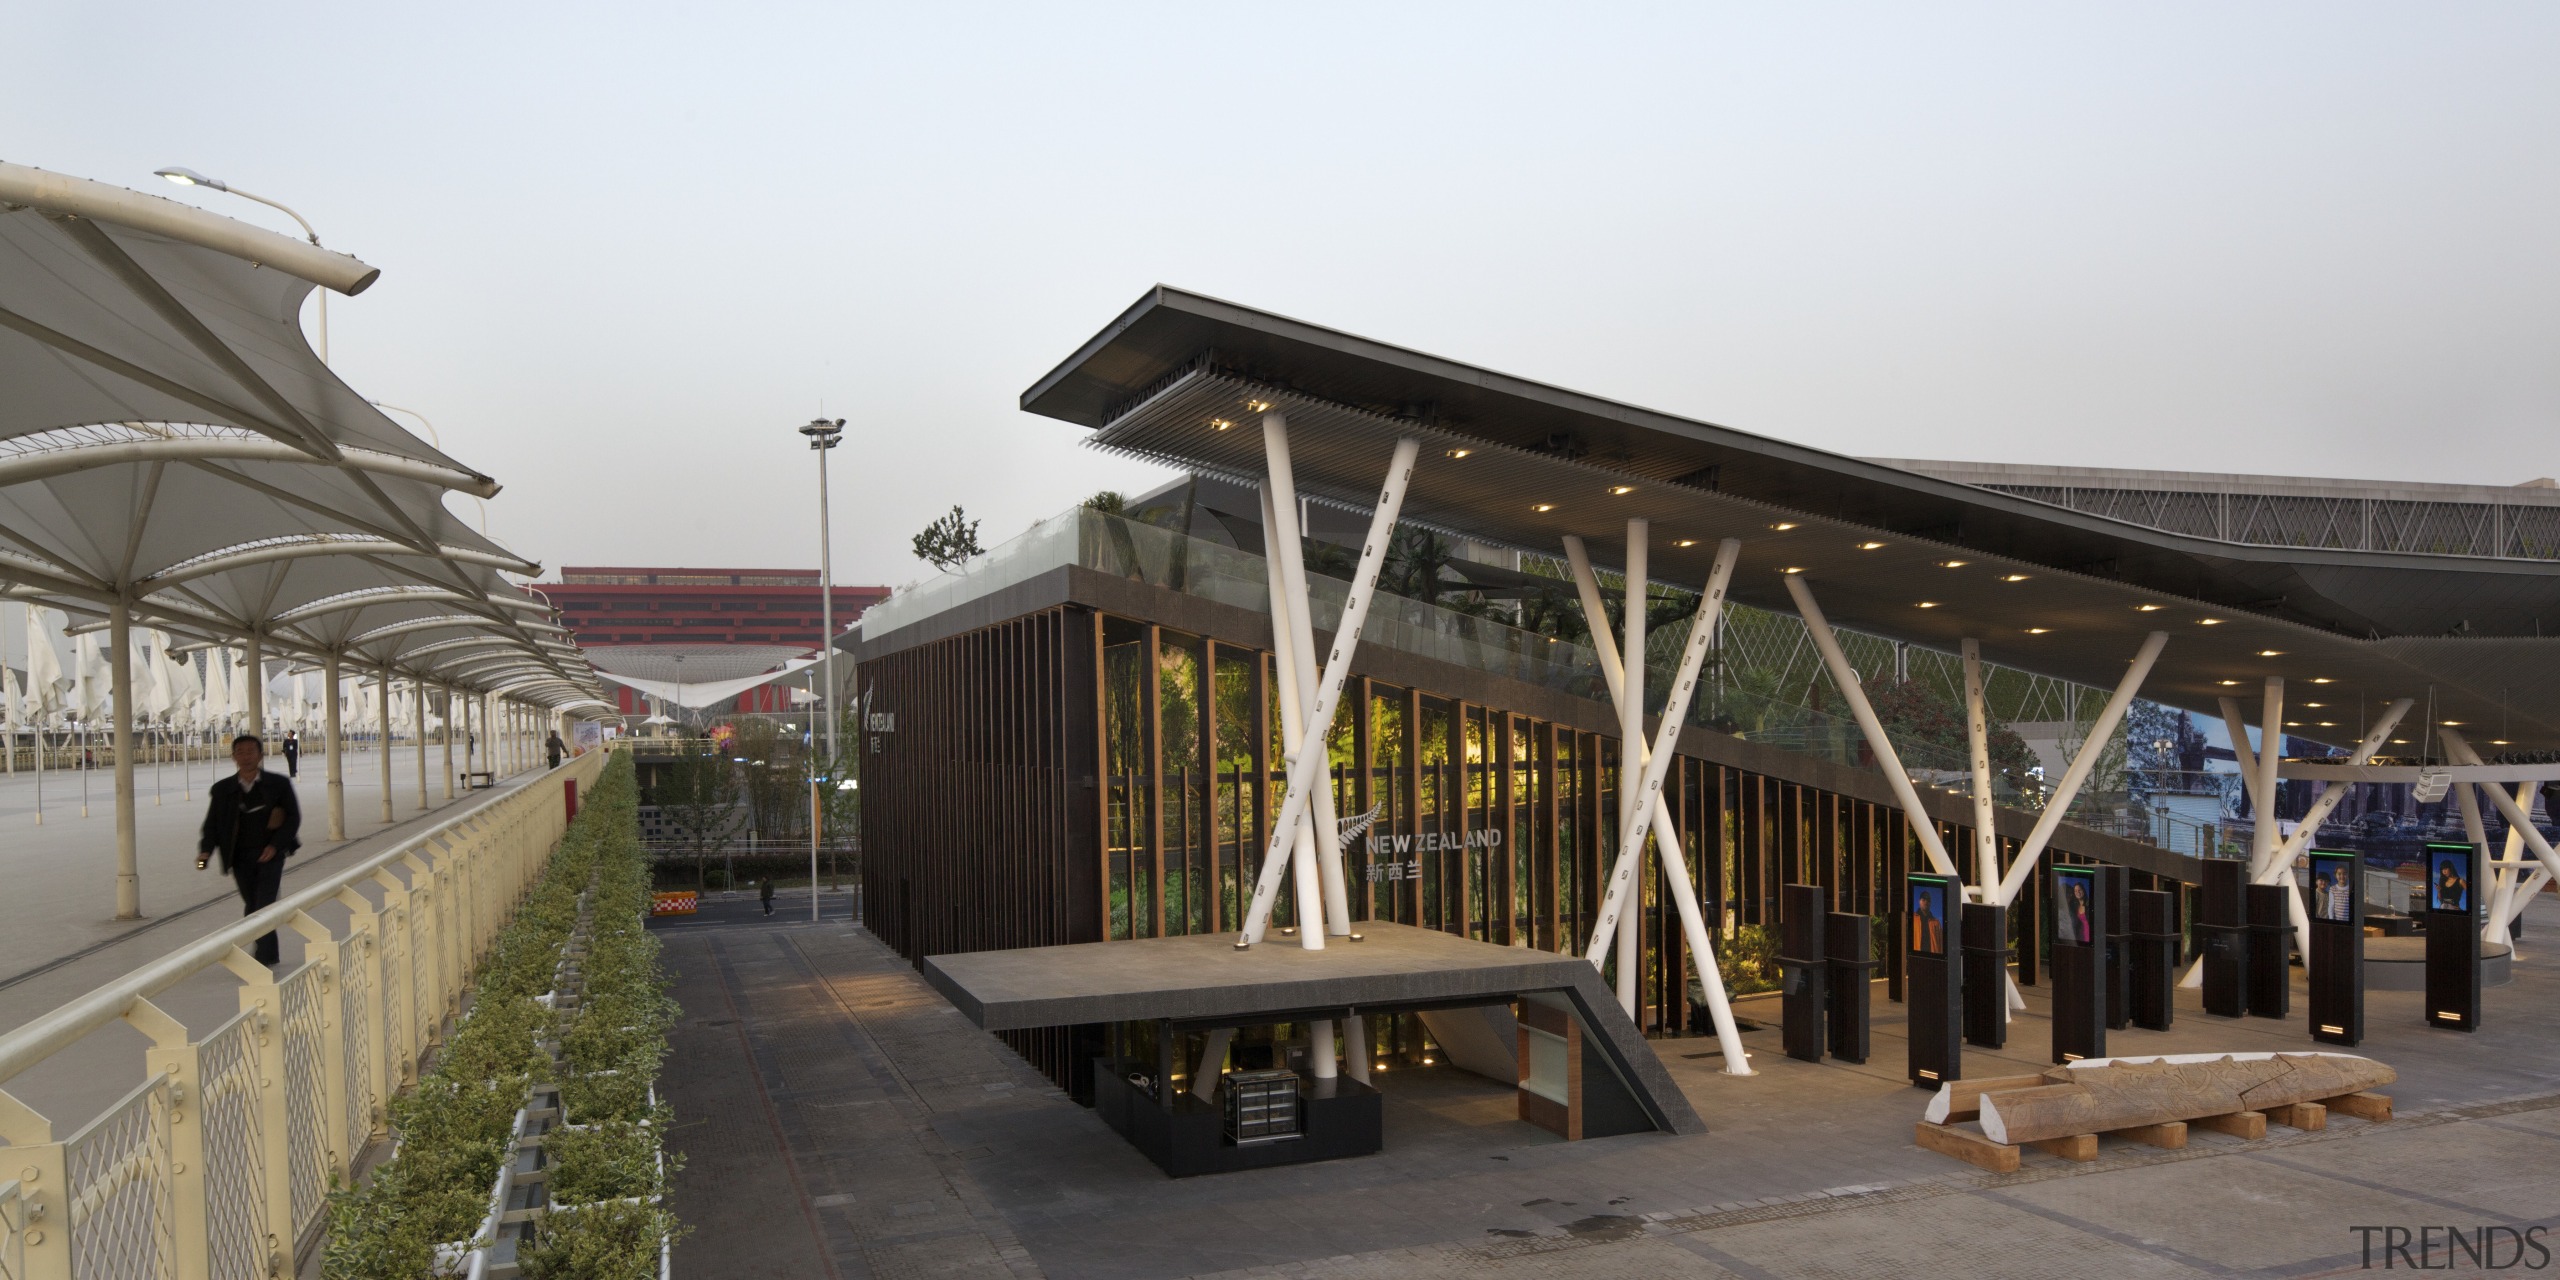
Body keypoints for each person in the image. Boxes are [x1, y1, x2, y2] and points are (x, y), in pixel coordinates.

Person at [197, 734, 302, 965]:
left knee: (263, 904)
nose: (246, 757)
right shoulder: (222, 790)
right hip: (239, 856)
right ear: (233, 757)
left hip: (270, 855)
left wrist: (275, 845)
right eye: (240, 752)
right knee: (252, 905)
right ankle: (269, 952)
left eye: (250, 752)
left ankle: (263, 957)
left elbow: (293, 818)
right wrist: (205, 852)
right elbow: (212, 824)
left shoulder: (279, 784)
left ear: (260, 755)